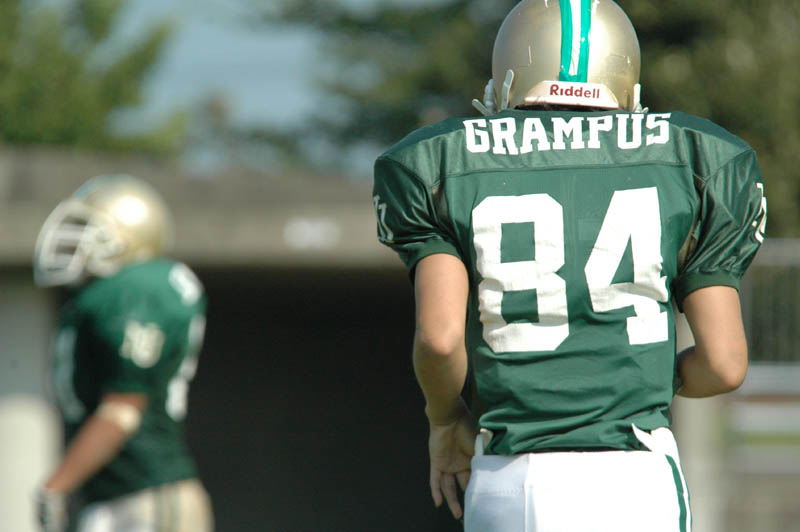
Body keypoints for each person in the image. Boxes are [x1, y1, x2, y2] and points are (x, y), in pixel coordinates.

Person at [372, 0, 767, 530]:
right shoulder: (695, 158)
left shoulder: (443, 162)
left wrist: (444, 419)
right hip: (635, 475)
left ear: (509, 76)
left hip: (510, 476)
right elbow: (724, 363)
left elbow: (440, 341)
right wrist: (637, 376)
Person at [33, 174, 214, 532]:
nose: (78, 244)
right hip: (119, 496)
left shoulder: (136, 290)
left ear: (130, 237)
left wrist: (57, 485)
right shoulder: (103, 297)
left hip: (146, 495)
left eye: (91, 233)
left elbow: (122, 410)